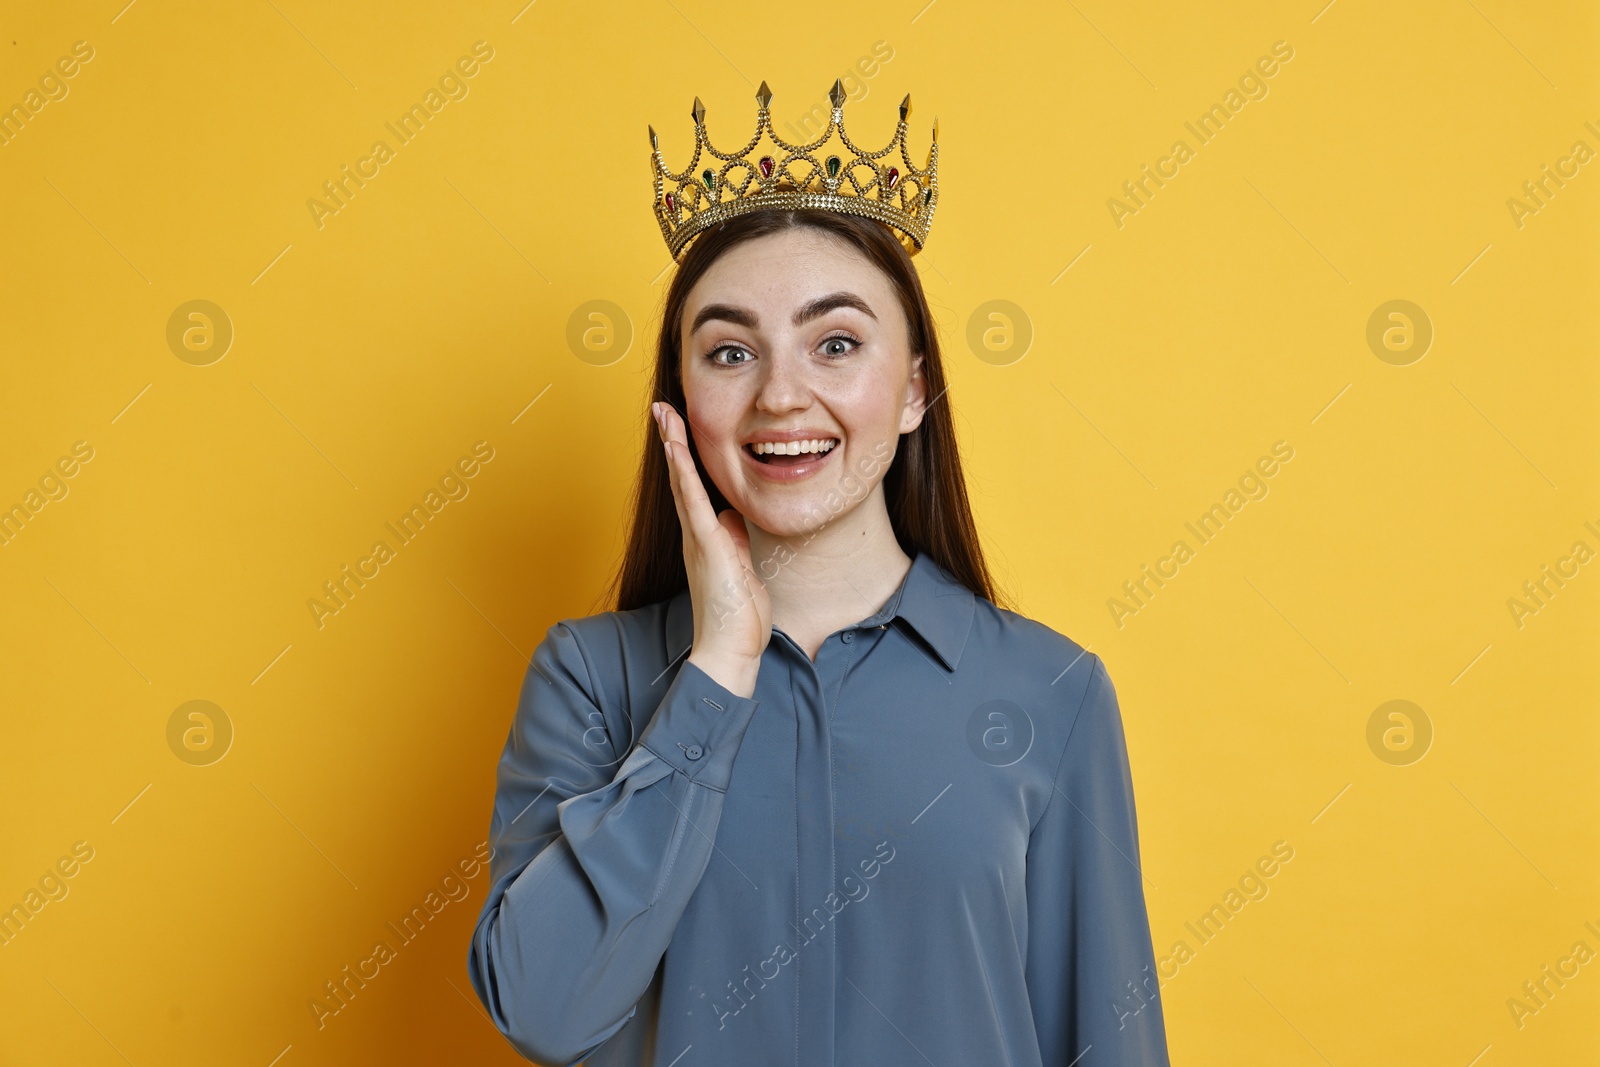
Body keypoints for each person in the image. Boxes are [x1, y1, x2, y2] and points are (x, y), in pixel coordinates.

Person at [467, 81, 1171, 1066]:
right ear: (677, 401)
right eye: (727, 352)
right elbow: (543, 1009)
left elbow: (1109, 1042)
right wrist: (713, 674)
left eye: (834, 343)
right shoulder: (592, 680)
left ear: (916, 385)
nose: (781, 395)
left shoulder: (1049, 694)